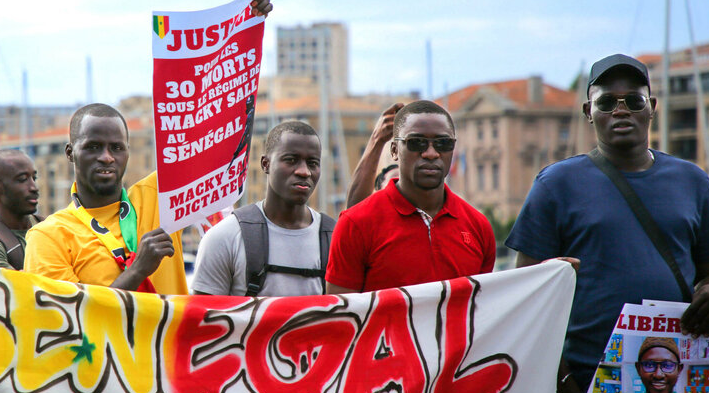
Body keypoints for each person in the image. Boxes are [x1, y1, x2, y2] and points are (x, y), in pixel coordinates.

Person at [505, 54, 709, 393]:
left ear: (650, 108)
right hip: (590, 382)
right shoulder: (555, 185)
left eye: (633, 101)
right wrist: (565, 384)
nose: (621, 111)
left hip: (681, 381)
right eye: (607, 102)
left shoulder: (693, 181)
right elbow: (528, 299)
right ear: (589, 111)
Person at [326, 100, 496, 294]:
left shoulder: (478, 226)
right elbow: (341, 316)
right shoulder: (354, 224)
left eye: (443, 143)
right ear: (394, 151)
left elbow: (483, 311)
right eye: (417, 143)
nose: (431, 153)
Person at [24, 103, 186, 293]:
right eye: (93, 147)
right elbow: (69, 316)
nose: (107, 157)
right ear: (70, 153)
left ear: (127, 152)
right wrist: (137, 270)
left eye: (116, 148)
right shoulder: (48, 236)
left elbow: (212, 139)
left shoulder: (159, 195)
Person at [192, 121, 333, 296]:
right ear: (265, 164)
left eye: (312, 163)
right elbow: (204, 319)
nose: (304, 172)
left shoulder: (336, 239)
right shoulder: (225, 237)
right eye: (291, 160)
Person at [608, 337, 709, 393]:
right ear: (638, 368)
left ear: (679, 369)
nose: (658, 375)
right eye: (649, 365)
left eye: (668, 366)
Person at [346, 103, 403, 207]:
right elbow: (355, 207)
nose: (400, 183)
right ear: (379, 190)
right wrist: (377, 140)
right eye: (394, 180)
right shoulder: (374, 217)